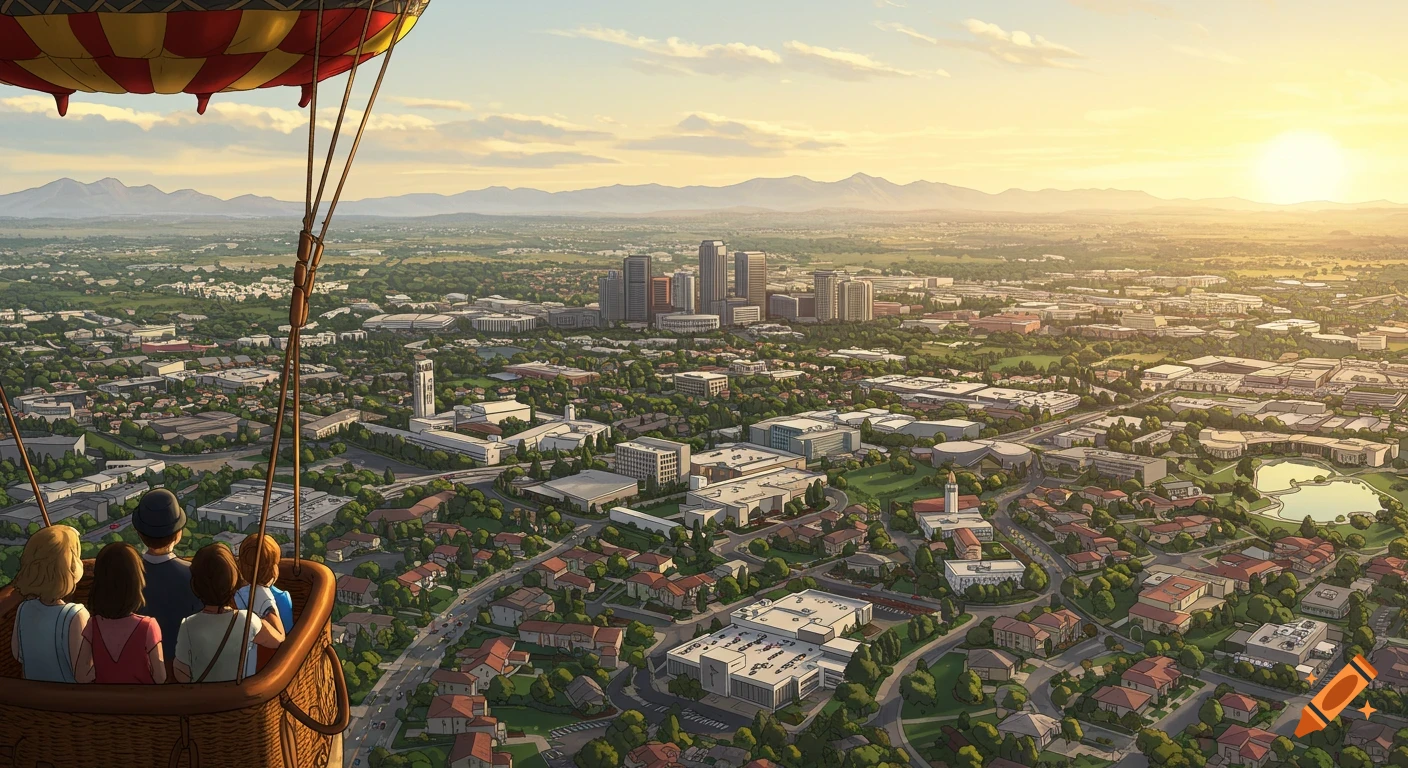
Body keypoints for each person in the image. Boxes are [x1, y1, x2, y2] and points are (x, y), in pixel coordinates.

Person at [174, 544, 284, 683]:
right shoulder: (248, 620)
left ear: (196, 585)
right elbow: (278, 640)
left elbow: (181, 671)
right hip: (238, 698)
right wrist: (270, 607)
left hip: (203, 700)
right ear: (234, 580)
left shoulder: (188, 625)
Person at [9, 525, 94, 683]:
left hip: (32, 694)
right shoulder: (77, 614)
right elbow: (83, 675)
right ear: (71, 567)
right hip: (67, 700)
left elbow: (18, 654)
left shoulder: (24, 608)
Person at [131, 489, 203, 668]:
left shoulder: (129, 575)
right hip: (184, 667)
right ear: (178, 535)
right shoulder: (193, 575)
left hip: (139, 668)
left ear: (139, 533)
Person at [76, 542, 165, 684]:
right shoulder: (148, 626)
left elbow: (81, 676)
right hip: (141, 702)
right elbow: (160, 678)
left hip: (105, 702)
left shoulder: (93, 625)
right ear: (135, 582)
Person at [233, 533, 294, 671]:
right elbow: (287, 637)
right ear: (274, 569)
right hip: (270, 664)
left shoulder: (236, 596)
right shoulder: (281, 598)